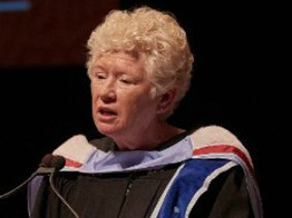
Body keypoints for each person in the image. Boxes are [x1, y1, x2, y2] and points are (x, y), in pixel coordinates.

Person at [27, 6, 263, 218]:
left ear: (164, 98)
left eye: (125, 80)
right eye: (99, 76)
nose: (106, 92)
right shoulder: (67, 172)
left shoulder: (210, 168)